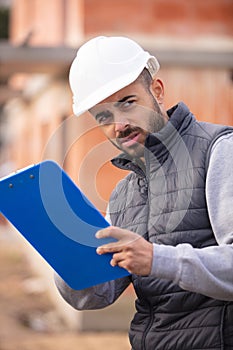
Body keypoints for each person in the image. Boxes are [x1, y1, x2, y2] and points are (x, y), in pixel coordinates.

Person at [55, 36, 233, 349]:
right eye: (103, 117)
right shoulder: (122, 196)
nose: (119, 124)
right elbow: (97, 295)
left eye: (128, 102)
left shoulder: (218, 151)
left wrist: (156, 259)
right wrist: (62, 257)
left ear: (157, 92)